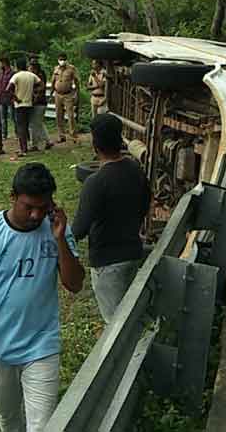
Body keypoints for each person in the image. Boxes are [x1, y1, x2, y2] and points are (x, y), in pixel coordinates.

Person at [0, 163, 85, 432]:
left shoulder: (56, 231)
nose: (35, 215)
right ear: (12, 197)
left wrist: (60, 240)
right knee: (8, 420)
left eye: (43, 208)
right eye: (28, 206)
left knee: (42, 426)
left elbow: (74, 284)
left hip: (42, 346)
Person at [72, 114, 151, 323]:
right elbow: (145, 205)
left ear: (95, 144)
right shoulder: (136, 170)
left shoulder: (95, 182)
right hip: (133, 252)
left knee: (115, 325)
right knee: (130, 314)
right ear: (120, 139)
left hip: (107, 261)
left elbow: (79, 229)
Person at [7, 59, 42, 158]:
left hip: (20, 105)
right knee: (26, 126)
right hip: (29, 104)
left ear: (17, 66)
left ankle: (23, 149)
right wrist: (36, 95)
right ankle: (25, 147)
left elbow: (8, 89)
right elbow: (41, 85)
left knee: (21, 127)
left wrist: (15, 98)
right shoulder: (31, 75)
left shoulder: (16, 76)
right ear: (26, 66)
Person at [52, 53, 79, 143]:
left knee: (70, 115)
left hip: (68, 94)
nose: (61, 61)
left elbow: (76, 81)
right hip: (58, 94)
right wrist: (52, 91)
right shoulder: (56, 68)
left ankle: (73, 135)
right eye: (60, 59)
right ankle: (61, 135)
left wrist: (76, 93)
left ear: (66, 59)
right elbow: (53, 80)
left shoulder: (71, 68)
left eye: (63, 59)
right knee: (59, 115)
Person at [28, 62, 52, 152]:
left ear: (34, 69)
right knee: (38, 123)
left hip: (38, 103)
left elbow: (41, 89)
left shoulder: (38, 77)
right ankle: (47, 141)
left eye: (30, 68)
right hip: (39, 103)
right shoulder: (38, 76)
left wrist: (33, 94)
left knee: (34, 124)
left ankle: (34, 144)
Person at [0, 57, 15, 140]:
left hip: (10, 97)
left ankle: (17, 133)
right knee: (2, 118)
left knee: (13, 117)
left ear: (4, 63)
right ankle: (4, 134)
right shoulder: (0, 73)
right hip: (1, 98)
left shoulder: (12, 73)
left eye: (0, 63)